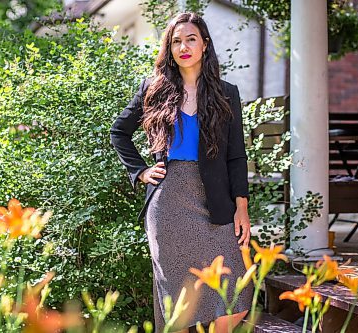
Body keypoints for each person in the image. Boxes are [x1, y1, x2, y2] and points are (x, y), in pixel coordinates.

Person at [110, 12, 253, 333]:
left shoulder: (226, 93)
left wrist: (241, 206)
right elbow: (118, 132)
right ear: (169, 49)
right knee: (178, 304)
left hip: (215, 203)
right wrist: (141, 172)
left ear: (205, 44)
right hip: (168, 205)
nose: (183, 47)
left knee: (236, 294)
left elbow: (236, 155)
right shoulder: (153, 88)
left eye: (191, 39)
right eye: (176, 41)